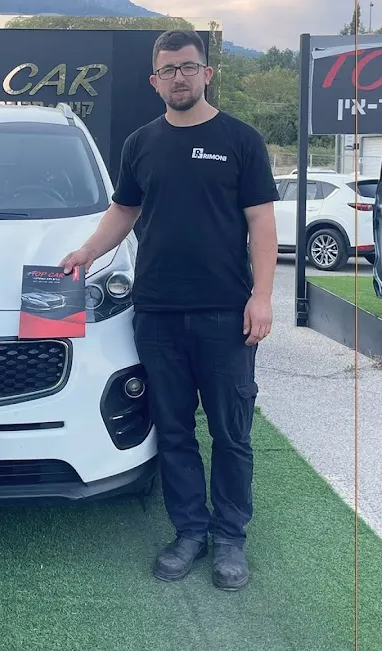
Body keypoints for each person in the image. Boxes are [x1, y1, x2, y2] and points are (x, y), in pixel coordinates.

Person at [61, 29, 278, 591]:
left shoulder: (241, 140)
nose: (178, 77)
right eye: (168, 70)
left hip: (226, 314)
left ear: (207, 73)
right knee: (175, 431)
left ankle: (229, 538)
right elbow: (123, 211)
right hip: (156, 313)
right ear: (154, 81)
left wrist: (261, 296)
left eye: (187, 66)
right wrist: (86, 253)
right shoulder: (141, 144)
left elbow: (261, 223)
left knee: (231, 433)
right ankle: (189, 532)